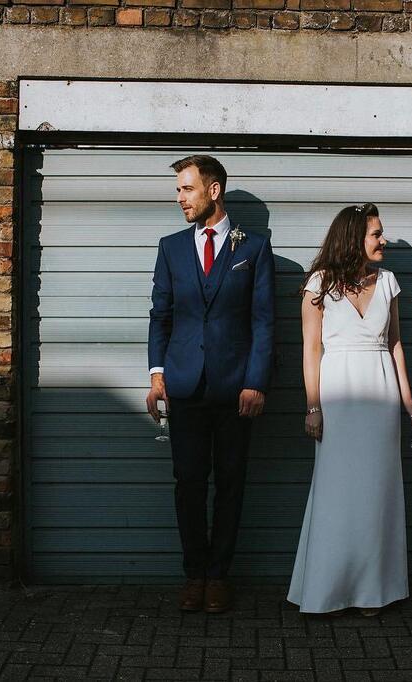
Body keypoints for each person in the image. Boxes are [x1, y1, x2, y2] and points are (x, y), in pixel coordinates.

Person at [287, 203, 412, 616]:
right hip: (337, 391)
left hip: (381, 390)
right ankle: (328, 590)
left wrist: (408, 401)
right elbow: (311, 349)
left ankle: (372, 591)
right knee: (336, 491)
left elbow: (395, 344)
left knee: (377, 492)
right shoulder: (320, 283)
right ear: (354, 238)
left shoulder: (388, 282)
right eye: (376, 234)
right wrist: (312, 406)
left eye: (382, 233)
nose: (383, 240)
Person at [146, 155, 275, 613]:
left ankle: (220, 575)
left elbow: (263, 322)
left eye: (186, 189)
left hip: (236, 389)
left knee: (232, 484)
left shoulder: (254, 248)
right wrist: (157, 374)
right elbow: (161, 315)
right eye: (179, 189)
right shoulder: (170, 247)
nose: (179, 197)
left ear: (213, 191)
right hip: (184, 387)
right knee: (189, 483)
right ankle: (194, 573)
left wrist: (256, 381)